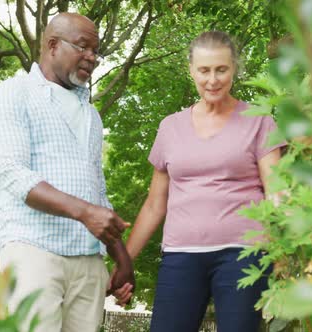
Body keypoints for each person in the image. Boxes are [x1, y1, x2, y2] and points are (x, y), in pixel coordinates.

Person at [114, 31, 283, 332]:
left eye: (222, 69)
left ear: (234, 69)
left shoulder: (260, 120)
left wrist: (285, 253)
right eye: (204, 70)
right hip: (181, 255)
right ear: (190, 69)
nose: (213, 80)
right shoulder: (170, 127)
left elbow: (277, 192)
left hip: (244, 253)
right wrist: (123, 263)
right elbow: (155, 205)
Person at [0, 13, 134, 332]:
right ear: (53, 45)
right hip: (33, 250)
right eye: (83, 47)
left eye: (96, 50)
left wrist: (122, 259)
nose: (92, 57)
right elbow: (12, 174)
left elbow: (97, 193)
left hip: (88, 261)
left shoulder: (91, 115)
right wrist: (85, 213)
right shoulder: (13, 93)